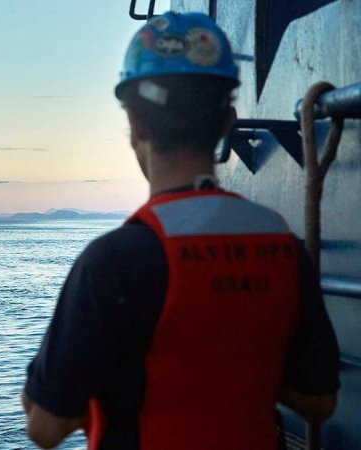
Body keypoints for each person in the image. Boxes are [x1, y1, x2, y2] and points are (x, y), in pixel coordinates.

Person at [22, 12, 340, 450]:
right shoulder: (284, 246)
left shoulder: (115, 260)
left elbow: (45, 428)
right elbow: (319, 401)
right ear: (226, 122)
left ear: (135, 124)